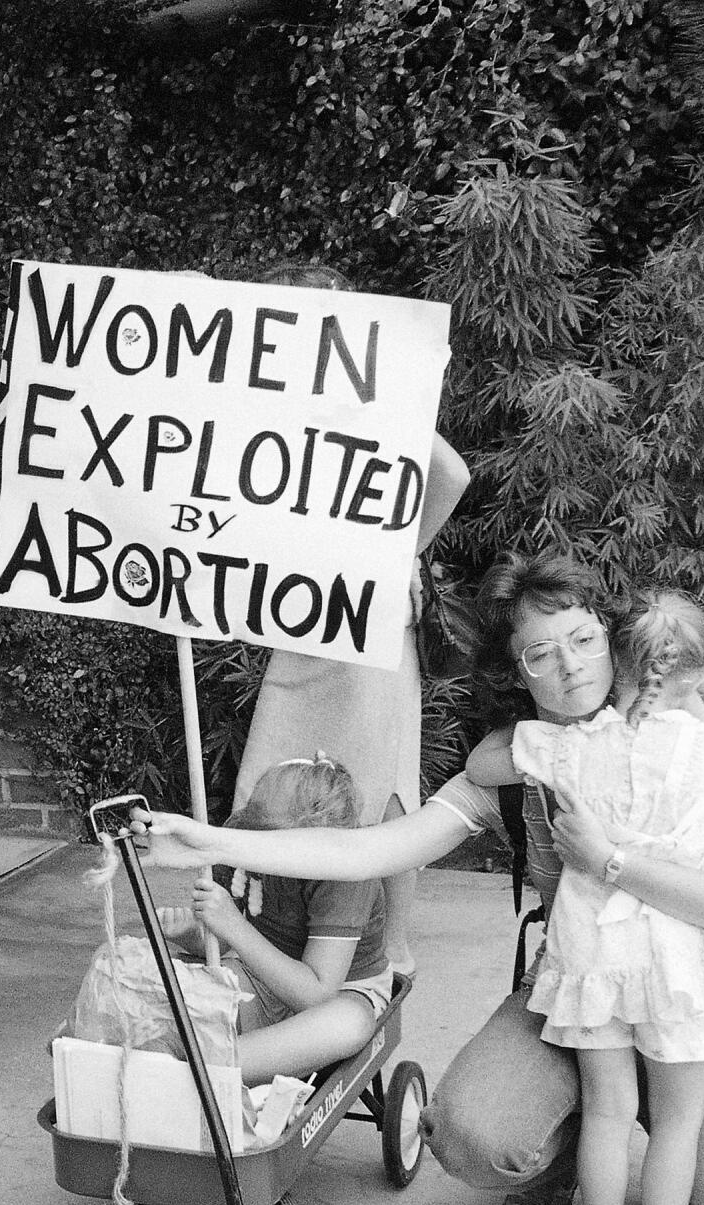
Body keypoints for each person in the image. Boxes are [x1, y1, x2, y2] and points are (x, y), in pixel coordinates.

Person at [132, 551, 704, 1205]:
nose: (568, 667)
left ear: (614, 637)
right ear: (519, 674)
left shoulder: (676, 738)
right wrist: (208, 842)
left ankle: (695, 1195)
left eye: (581, 639)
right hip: (583, 990)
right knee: (472, 1132)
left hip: (696, 1009)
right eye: (540, 654)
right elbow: (368, 849)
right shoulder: (523, 757)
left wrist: (610, 858)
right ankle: (571, 1141)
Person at [495, 590, 704, 1205]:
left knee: (609, 1114)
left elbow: (498, 758)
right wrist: (698, 716)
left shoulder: (567, 745)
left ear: (618, 660)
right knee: (677, 1122)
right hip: (674, 964)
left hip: (593, 956)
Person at [228, 261, 470, 978]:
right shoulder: (269, 416)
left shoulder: (374, 412)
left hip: (366, 635)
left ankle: (393, 941)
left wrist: (380, 393)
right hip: (299, 628)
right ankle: (256, 921)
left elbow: (451, 475)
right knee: (268, 774)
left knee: (381, 786)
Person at [160, 753, 393, 1083]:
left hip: (342, 991)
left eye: (264, 832)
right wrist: (195, 936)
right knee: (159, 987)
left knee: (349, 1024)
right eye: (251, 827)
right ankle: (187, 1058)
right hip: (261, 976)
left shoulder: (345, 872)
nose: (252, 838)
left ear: (309, 836)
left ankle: (199, 1070)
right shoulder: (243, 839)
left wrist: (232, 924)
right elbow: (223, 942)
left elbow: (316, 994)